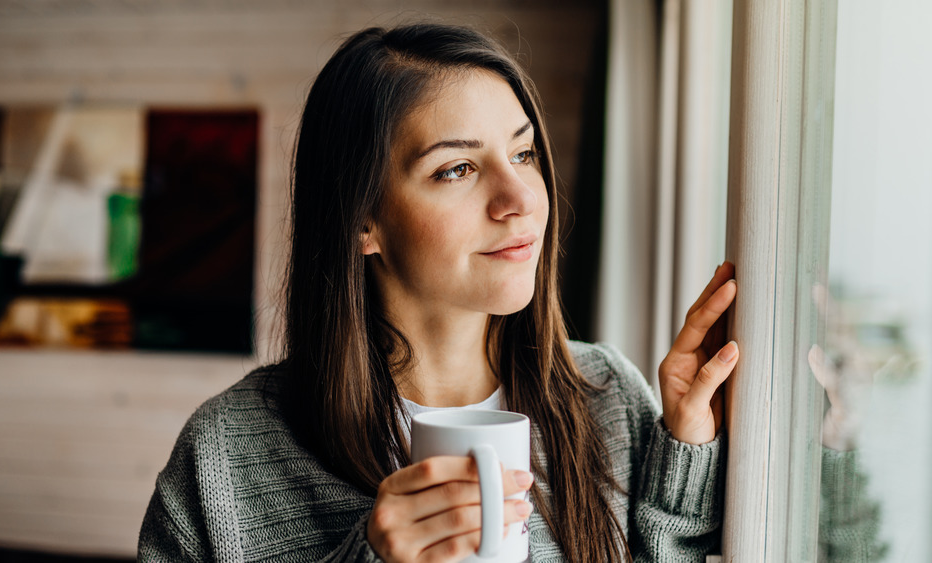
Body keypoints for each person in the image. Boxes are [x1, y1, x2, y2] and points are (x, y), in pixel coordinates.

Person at [138, 23, 739, 562]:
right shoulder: (225, 454)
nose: (523, 199)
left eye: (524, 153)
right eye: (457, 169)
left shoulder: (610, 401)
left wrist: (684, 453)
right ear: (361, 221)